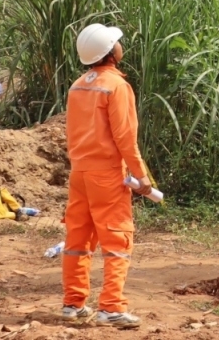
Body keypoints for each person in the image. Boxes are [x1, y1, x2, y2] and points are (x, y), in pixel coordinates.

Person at [61, 23, 153, 327]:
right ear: (111, 53)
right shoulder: (116, 86)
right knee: (117, 239)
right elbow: (125, 138)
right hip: (107, 175)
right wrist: (142, 176)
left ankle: (73, 304)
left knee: (78, 238)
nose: (120, 45)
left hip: (80, 173)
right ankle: (111, 307)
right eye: (117, 43)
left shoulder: (78, 85)